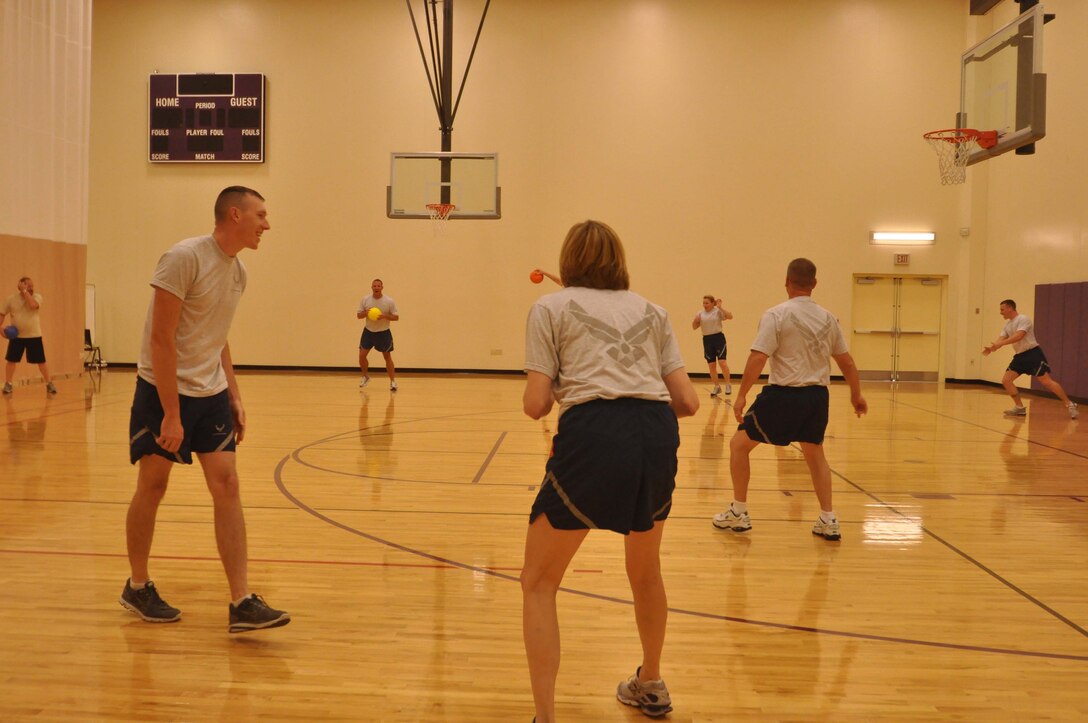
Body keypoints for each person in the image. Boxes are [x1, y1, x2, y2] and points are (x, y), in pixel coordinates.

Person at [521, 220, 699, 722]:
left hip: (595, 430)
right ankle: (651, 683)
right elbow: (687, 400)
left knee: (538, 582)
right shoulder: (653, 310)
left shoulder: (549, 308)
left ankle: (546, 718)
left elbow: (536, 404)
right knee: (646, 572)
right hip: (657, 432)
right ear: (619, 261)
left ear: (567, 261)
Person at [121, 186, 290, 633]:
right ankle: (137, 586)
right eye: (261, 215)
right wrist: (172, 414)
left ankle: (242, 601)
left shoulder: (238, 273)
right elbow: (161, 338)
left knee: (228, 484)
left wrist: (233, 394)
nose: (266, 225)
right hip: (162, 390)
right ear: (235, 215)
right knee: (153, 486)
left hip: (210, 392)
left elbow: (217, 335)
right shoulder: (183, 258)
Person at [712, 258, 866, 541]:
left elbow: (759, 356)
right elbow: (846, 361)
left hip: (784, 395)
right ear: (814, 284)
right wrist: (856, 394)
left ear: (787, 282)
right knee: (815, 454)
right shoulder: (828, 318)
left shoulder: (776, 314)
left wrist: (742, 395)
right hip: (817, 397)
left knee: (738, 445)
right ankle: (828, 518)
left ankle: (739, 511)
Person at [982, 299, 1078, 419]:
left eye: (1002, 309)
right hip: (1020, 357)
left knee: (1046, 382)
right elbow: (1001, 338)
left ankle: (1069, 404)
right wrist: (992, 347)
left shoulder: (1023, 319)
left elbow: (1019, 336)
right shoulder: (1007, 324)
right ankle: (1019, 408)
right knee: (1006, 381)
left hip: (1033, 354)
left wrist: (1000, 344)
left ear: (1010, 308)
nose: (1001, 312)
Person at [1, 277, 58, 395]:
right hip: (17, 337)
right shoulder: (11, 300)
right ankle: (8, 384)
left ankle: (49, 384)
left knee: (41, 361)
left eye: (32, 286)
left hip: (34, 335)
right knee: (11, 360)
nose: (31, 288)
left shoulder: (37, 297)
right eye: (28, 286)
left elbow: (32, 305)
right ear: (20, 286)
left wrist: (25, 292)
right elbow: (1, 315)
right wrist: (0, 330)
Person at [357, 278, 400, 391]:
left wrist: (385, 316)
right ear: (372, 287)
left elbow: (396, 317)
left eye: (378, 286)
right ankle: (365, 376)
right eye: (374, 286)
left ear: (382, 287)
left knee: (387, 357)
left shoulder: (389, 301)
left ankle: (393, 381)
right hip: (368, 332)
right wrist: (366, 313)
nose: (376, 288)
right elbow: (358, 315)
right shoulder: (365, 300)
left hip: (383, 332)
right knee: (362, 355)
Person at [692, 295, 733, 397]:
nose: (705, 305)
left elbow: (730, 316)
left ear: (712, 303)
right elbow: (694, 327)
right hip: (707, 340)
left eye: (707, 303)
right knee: (711, 365)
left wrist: (720, 307)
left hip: (718, 338)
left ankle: (728, 384)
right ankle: (716, 386)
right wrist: (695, 320)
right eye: (704, 303)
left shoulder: (717, 312)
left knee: (722, 362)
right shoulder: (700, 314)